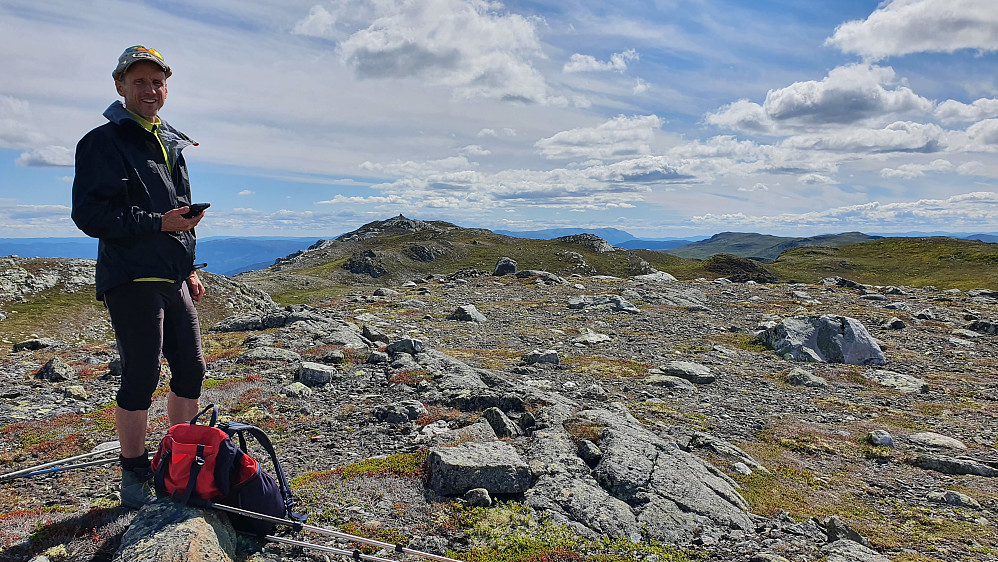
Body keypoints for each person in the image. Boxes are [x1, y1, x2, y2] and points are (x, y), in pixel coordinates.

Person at [71, 45, 207, 509]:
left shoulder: (170, 143)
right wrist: (157, 222)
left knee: (192, 369)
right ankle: (133, 474)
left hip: (170, 276)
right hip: (130, 278)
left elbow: (177, 214)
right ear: (120, 87)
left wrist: (187, 266)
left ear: (166, 88)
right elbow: (89, 214)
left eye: (157, 82)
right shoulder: (102, 142)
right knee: (142, 373)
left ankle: (179, 461)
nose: (150, 90)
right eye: (139, 82)